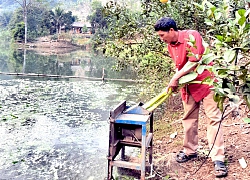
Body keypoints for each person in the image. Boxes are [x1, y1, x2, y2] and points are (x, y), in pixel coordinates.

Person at [154, 17, 228, 178]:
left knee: (214, 119)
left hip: (207, 83)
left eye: (162, 35)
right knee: (188, 119)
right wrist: (175, 82)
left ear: (171, 31)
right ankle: (190, 151)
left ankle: (218, 159)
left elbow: (193, 62)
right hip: (188, 87)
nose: (161, 39)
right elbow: (180, 67)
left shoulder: (192, 35)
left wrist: (174, 79)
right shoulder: (170, 46)